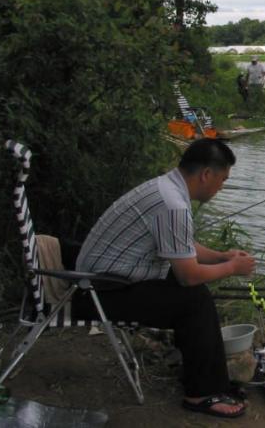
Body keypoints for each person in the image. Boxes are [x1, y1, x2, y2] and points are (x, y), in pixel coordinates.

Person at [76, 139, 255, 419]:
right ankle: (200, 394)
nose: (221, 187)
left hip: (100, 282)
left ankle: (206, 378)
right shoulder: (172, 204)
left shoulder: (166, 188)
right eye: (222, 180)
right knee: (194, 300)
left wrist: (222, 257)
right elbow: (189, 275)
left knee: (194, 294)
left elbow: (182, 246)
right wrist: (232, 268)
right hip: (98, 293)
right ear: (206, 174)